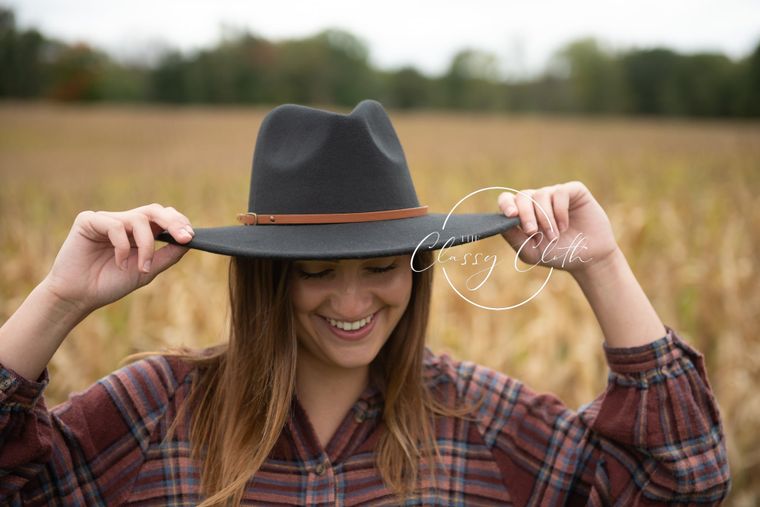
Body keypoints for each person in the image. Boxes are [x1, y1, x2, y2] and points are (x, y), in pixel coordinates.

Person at [0, 100, 730, 506]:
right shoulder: (159, 410)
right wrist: (60, 299)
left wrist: (599, 263)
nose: (353, 299)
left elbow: (679, 480)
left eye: (382, 266)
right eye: (316, 271)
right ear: (270, 279)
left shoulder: (474, 419)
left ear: (416, 267)